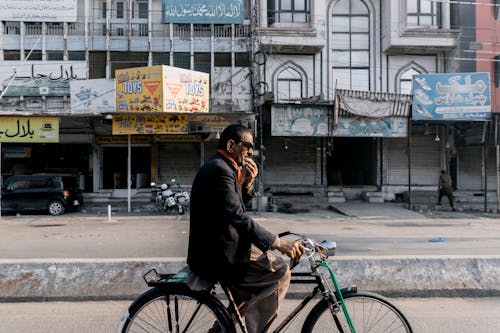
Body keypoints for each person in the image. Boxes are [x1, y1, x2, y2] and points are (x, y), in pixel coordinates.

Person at [187, 124, 304, 333]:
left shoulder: (224, 166)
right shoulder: (220, 170)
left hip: (223, 244)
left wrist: (248, 184)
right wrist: (277, 242)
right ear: (231, 145)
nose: (251, 151)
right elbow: (238, 216)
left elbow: (231, 207)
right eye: (247, 146)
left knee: (256, 283)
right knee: (280, 272)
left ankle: (223, 328)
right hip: (218, 254)